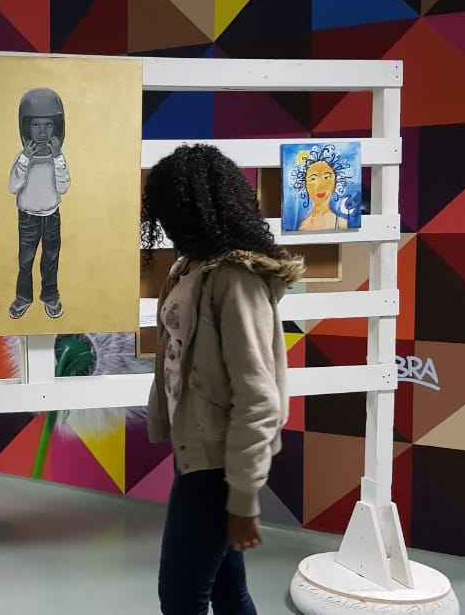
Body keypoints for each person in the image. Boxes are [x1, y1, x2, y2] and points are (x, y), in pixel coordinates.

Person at [142, 145, 303, 615]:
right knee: (227, 590)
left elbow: (258, 398)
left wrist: (244, 498)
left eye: (169, 210)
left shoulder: (236, 279)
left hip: (218, 465)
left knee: (180, 596)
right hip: (197, 453)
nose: (163, 222)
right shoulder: (189, 267)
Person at [8, 87, 70, 320]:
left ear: (57, 126)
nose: (42, 131)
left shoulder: (58, 159)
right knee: (26, 260)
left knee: (51, 259)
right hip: (28, 217)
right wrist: (25, 159)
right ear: (26, 127)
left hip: (52, 216)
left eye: (48, 125)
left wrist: (57, 158)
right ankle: (23, 297)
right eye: (36, 125)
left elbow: (63, 187)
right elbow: (13, 187)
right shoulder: (23, 158)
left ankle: (51, 296)